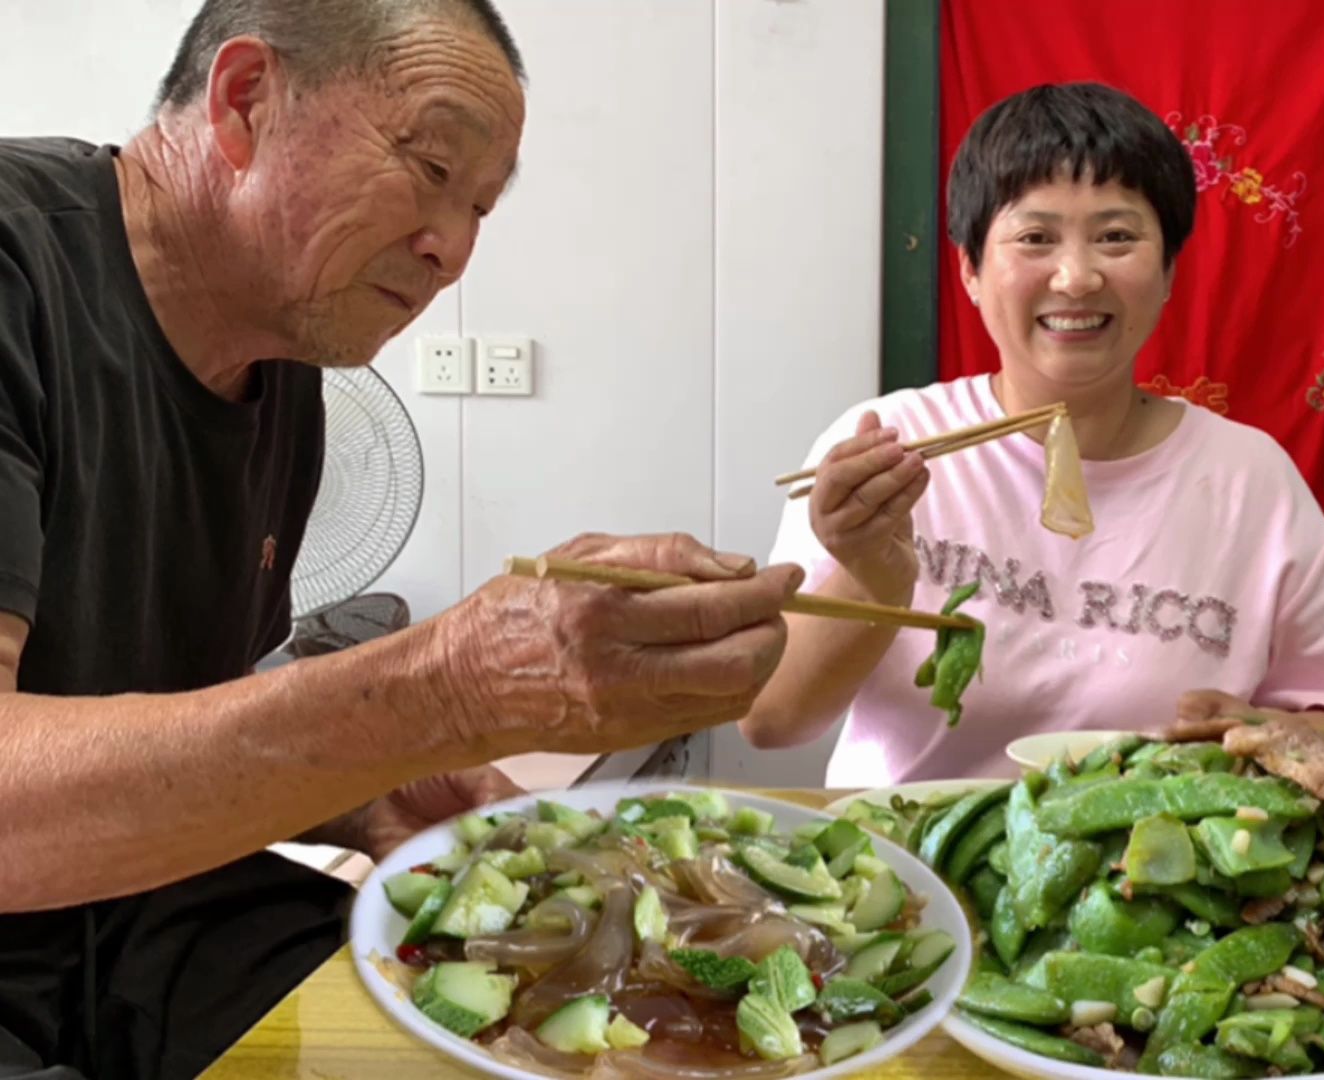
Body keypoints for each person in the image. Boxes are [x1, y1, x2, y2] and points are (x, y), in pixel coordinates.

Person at [0, 2, 802, 1077]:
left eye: (481, 208)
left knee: (510, 1029)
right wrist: (441, 692)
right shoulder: (19, 265)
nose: (455, 250)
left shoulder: (287, 382)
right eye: (431, 168)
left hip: (122, 915)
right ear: (246, 99)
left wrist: (376, 783)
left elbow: (149, 709)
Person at [741, 82, 1324, 787]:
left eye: (1117, 237)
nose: (1077, 277)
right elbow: (772, 721)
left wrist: (1263, 734)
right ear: (968, 268)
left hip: (1147, 878)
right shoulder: (890, 448)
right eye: (1034, 238)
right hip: (911, 868)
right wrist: (873, 576)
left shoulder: (1247, 478)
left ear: (1169, 269)